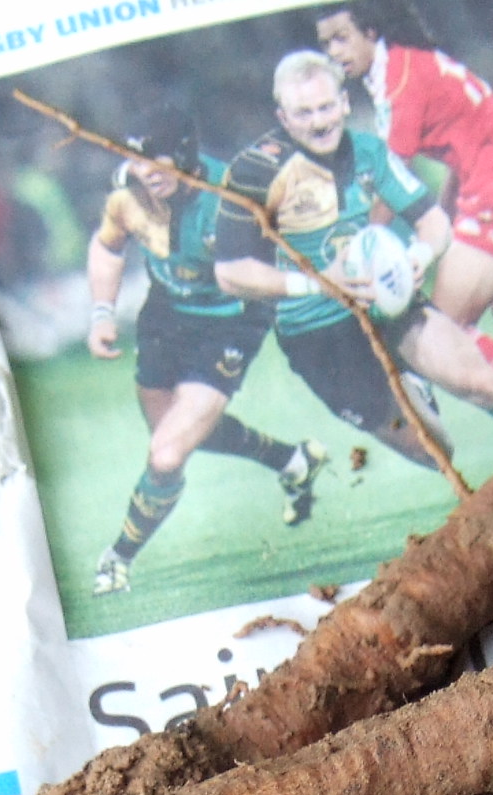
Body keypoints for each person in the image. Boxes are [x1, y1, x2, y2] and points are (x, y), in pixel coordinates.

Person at [214, 50, 493, 471]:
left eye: (326, 107)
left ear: (344, 103)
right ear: (283, 117)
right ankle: (411, 386)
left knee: (480, 381)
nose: (319, 122)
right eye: (304, 113)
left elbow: (433, 221)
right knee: (433, 449)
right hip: (318, 335)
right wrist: (319, 281)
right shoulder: (253, 173)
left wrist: (419, 255)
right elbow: (230, 273)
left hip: (388, 303)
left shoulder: (369, 151)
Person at [84, 117, 326, 598]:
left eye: (159, 161)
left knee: (167, 454)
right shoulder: (128, 192)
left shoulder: (229, 198)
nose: (147, 172)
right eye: (137, 162)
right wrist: (101, 313)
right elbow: (107, 245)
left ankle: (117, 559)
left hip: (230, 321)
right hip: (165, 314)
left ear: (186, 155)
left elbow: (263, 265)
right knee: (171, 435)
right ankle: (292, 460)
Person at [313, 3, 493, 391]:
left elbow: (393, 178)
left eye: (342, 39)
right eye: (325, 44)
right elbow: (465, 150)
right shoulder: (415, 61)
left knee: (443, 331)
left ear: (371, 32)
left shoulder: (399, 80)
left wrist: (360, 247)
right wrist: (440, 230)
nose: (334, 53)